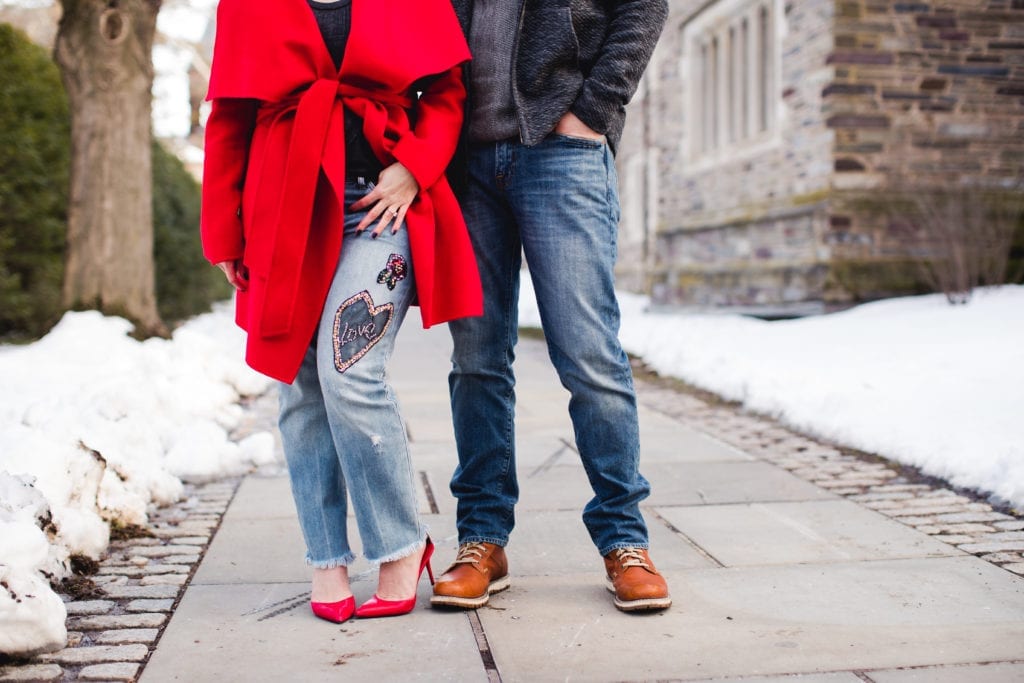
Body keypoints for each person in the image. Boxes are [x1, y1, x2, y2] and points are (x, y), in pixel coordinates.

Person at [200, 0, 481, 624]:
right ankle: (325, 557)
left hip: (380, 206)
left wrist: (415, 167)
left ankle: (402, 546)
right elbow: (229, 118)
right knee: (299, 386)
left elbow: (445, 89)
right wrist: (224, 229)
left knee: (349, 372)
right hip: (285, 205)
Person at [432, 0, 672, 613]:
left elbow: (643, 7)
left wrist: (593, 110)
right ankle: (483, 539)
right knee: (477, 359)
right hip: (462, 163)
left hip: (561, 154)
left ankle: (625, 540)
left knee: (589, 354)